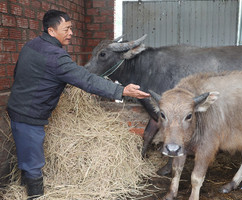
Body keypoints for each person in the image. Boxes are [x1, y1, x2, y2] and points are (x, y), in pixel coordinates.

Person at [6, 9, 150, 199]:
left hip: (17, 108)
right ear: (51, 31)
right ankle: (35, 195)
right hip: (30, 115)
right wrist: (121, 91)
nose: (71, 33)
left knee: (25, 155)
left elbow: (19, 74)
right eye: (66, 29)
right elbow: (87, 80)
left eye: (71, 28)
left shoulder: (31, 46)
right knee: (33, 162)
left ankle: (26, 185)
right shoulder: (57, 57)